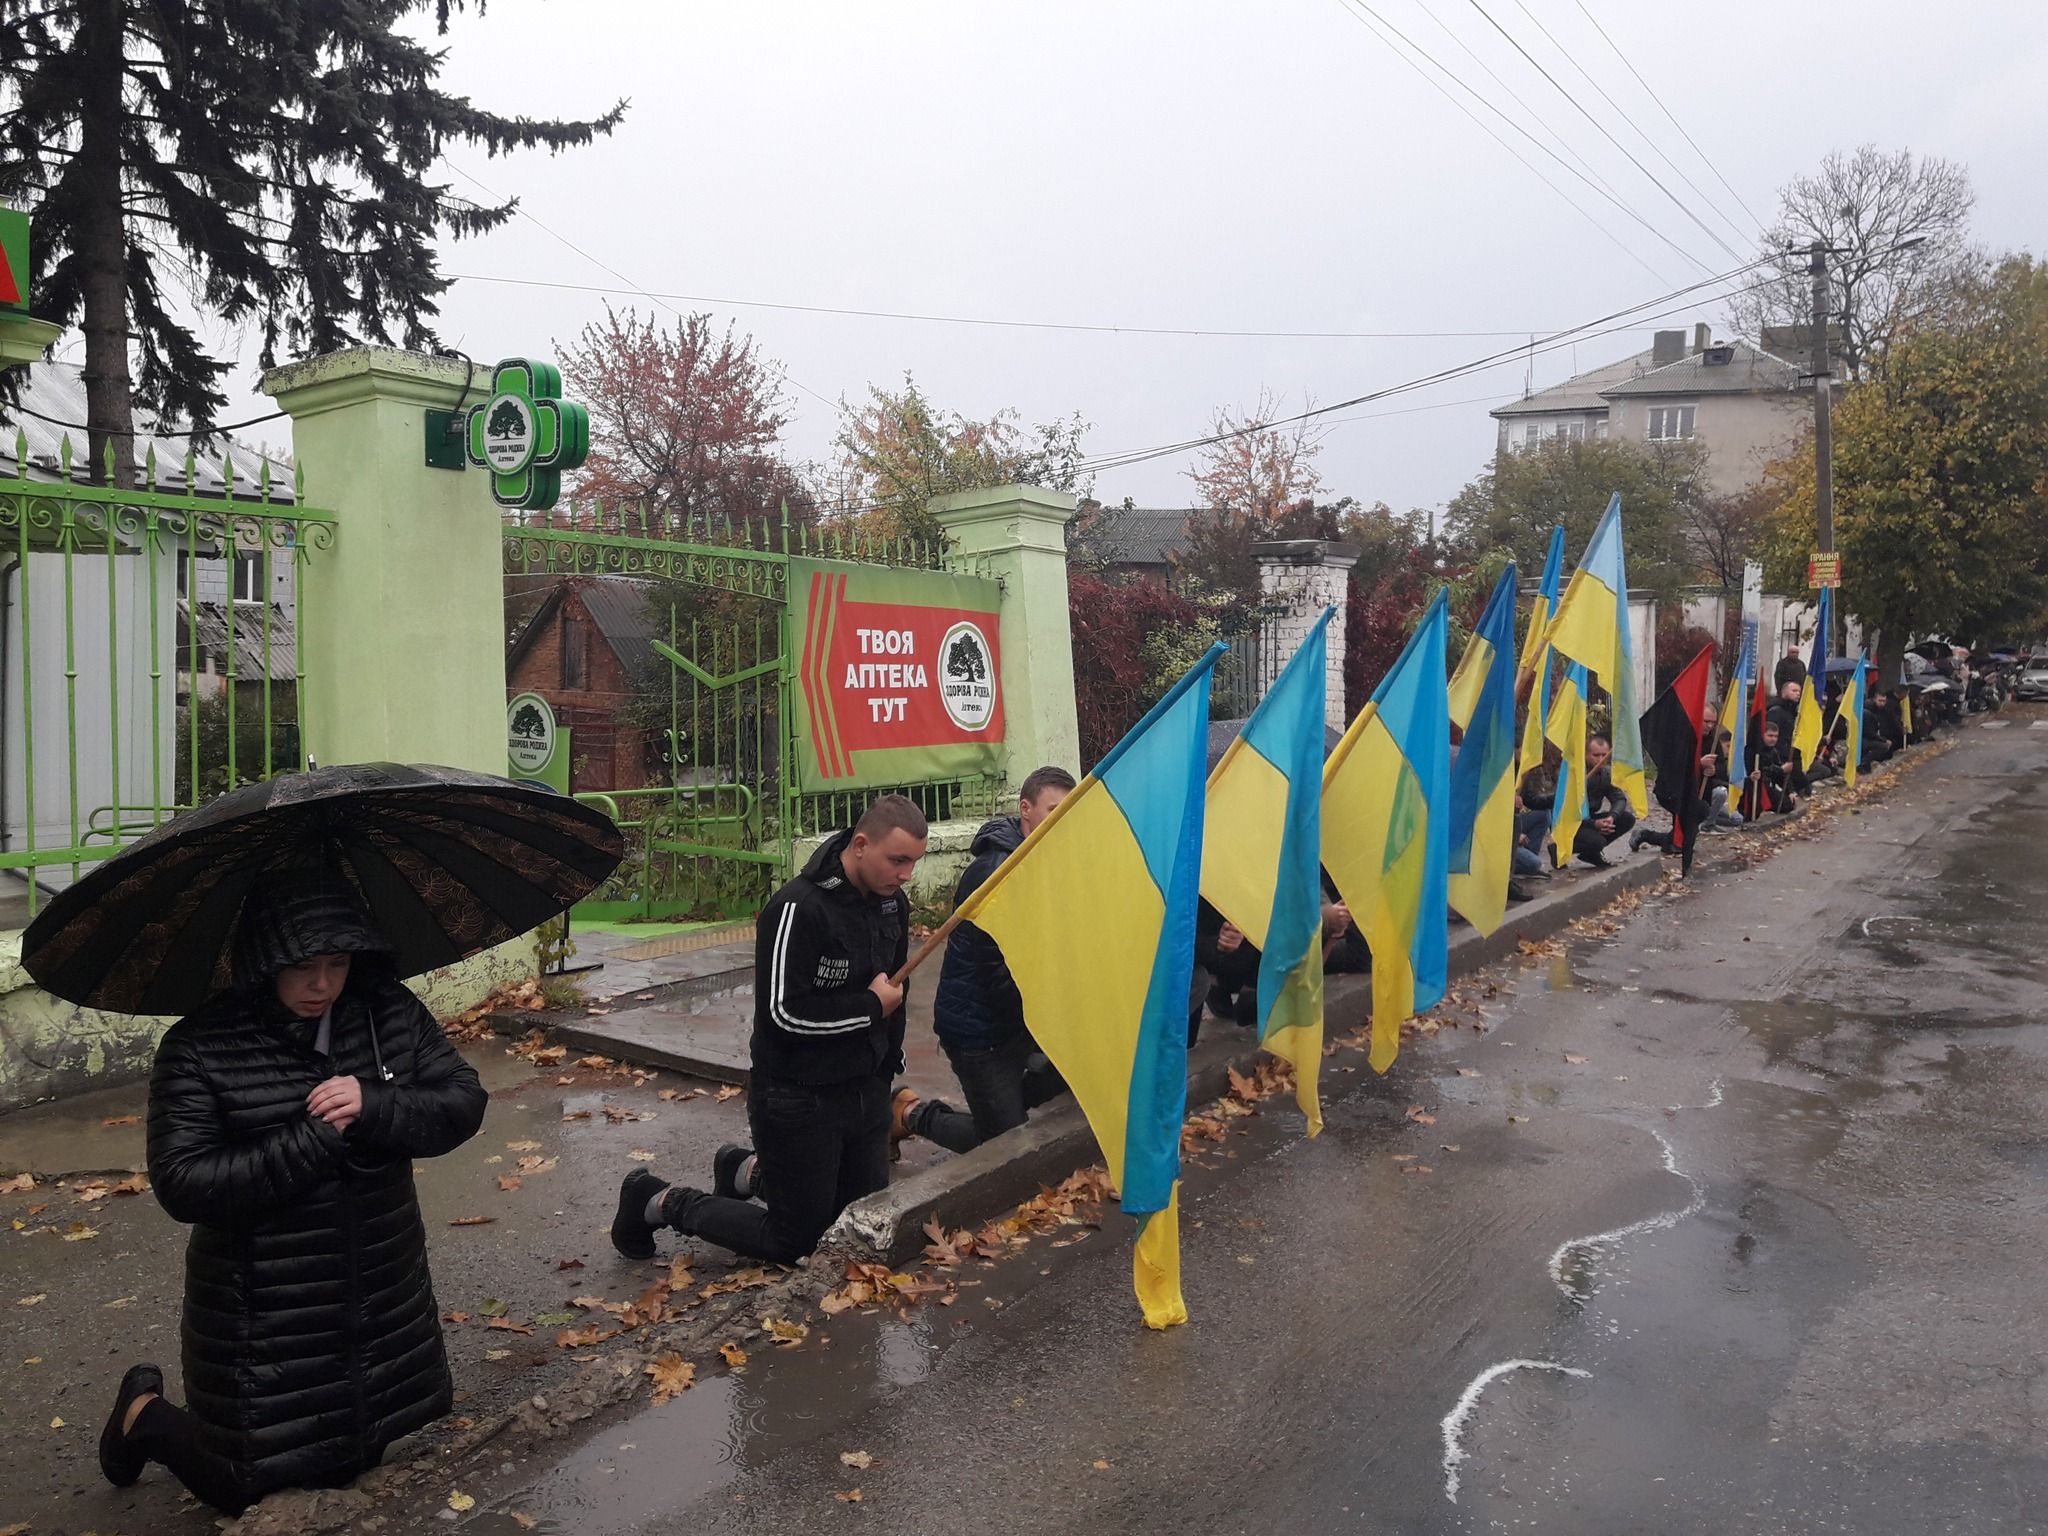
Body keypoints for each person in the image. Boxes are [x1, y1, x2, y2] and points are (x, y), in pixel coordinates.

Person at [98, 871, 487, 1514]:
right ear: (263, 960)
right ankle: (144, 1415)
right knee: (245, 1485)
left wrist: (377, 1103)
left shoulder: (386, 1010)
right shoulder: (201, 1047)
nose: (322, 984)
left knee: (358, 1452)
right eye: (303, 965)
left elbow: (461, 1101)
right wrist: (311, 1141)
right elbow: (182, 1182)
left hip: (381, 1286)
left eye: (337, 963)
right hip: (265, 1308)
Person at [613, 793, 926, 1266]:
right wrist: (868, 1008)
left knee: (860, 1220)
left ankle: (747, 1171)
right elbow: (783, 1014)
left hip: (864, 1090)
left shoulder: (890, 905)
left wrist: (888, 1059)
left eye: (913, 864)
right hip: (799, 1096)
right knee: (796, 1241)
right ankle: (658, 1200)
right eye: (897, 860)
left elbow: (895, 993)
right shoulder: (798, 908)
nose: (905, 875)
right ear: (861, 845)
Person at [894, 767, 1076, 1154]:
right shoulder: (995, 875)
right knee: (1003, 1147)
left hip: (1018, 1023)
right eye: (1053, 809)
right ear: (1026, 809)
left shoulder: (1045, 860)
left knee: (1071, 1077)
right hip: (980, 1032)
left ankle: (1002, 1106)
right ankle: (908, 1114)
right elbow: (997, 974)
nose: (1061, 820)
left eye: (1068, 811)